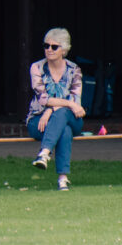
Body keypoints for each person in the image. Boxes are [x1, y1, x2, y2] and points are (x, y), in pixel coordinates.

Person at [25, 28, 86, 191]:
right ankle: (62, 179)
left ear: (64, 50)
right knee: (64, 130)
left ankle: (44, 153)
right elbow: (43, 98)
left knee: (64, 114)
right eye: (46, 46)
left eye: (54, 47)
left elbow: (75, 101)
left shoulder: (74, 70)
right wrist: (62, 106)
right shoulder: (36, 67)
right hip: (38, 120)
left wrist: (51, 111)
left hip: (70, 117)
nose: (48, 50)